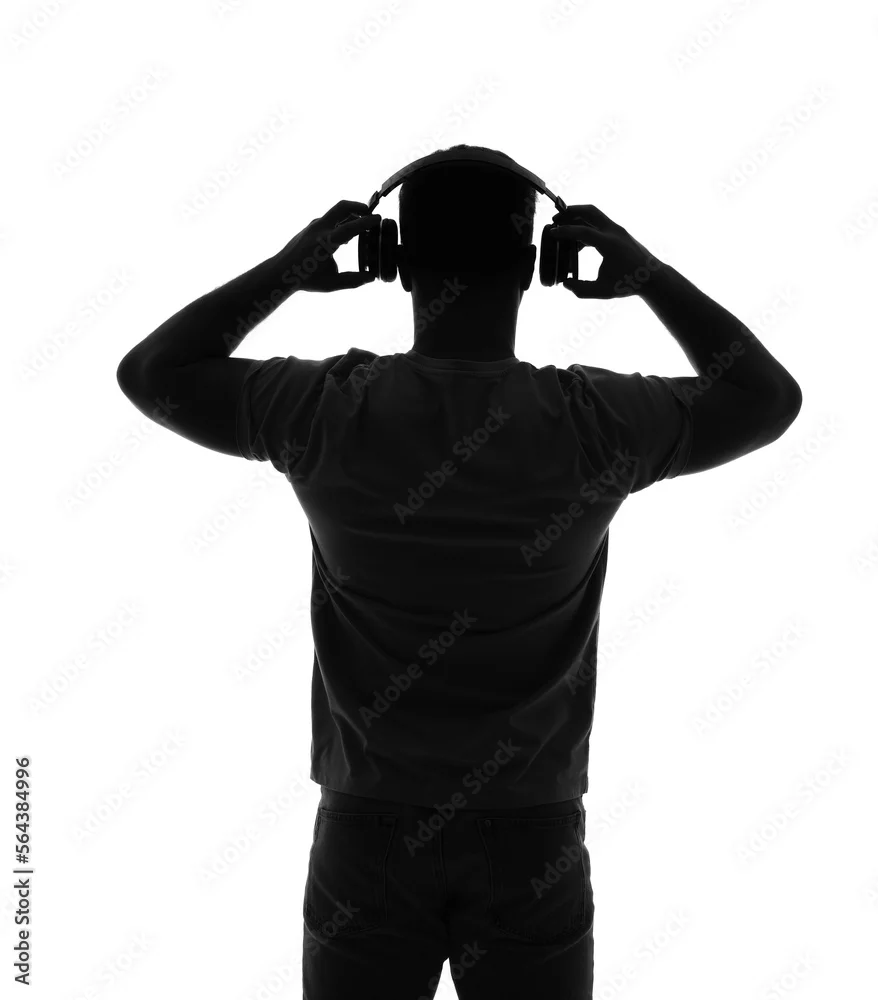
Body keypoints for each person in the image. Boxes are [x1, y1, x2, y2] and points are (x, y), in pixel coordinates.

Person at [115, 145, 803, 999]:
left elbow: (153, 374)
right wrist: (648, 275)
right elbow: (768, 398)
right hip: (530, 833)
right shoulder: (594, 421)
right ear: (537, 267)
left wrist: (287, 271)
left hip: (368, 830)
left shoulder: (327, 409)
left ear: (394, 263)